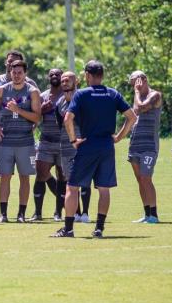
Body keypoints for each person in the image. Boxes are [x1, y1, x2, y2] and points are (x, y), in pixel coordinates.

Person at [52, 60, 136, 238]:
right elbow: (132, 117)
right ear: (102, 75)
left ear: (88, 75)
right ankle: (99, 228)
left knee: (72, 187)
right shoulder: (112, 94)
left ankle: (68, 229)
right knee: (104, 188)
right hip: (106, 146)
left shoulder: (81, 94)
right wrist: (119, 137)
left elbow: (68, 119)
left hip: (87, 145)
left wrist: (73, 140)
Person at [0, 60, 41, 223]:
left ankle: (21, 214)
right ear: (10, 72)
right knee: (5, 176)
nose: (17, 75)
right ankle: (3, 214)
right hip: (6, 141)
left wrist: (18, 110)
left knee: (25, 177)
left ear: (25, 74)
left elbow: (37, 117)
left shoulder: (33, 92)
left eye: (20, 72)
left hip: (25, 141)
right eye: (14, 72)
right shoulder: (2, 90)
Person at [127, 71, 162, 224]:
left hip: (149, 145)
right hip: (135, 143)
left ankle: (154, 215)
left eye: (136, 82)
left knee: (146, 178)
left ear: (143, 80)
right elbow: (131, 118)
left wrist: (136, 92)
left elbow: (141, 108)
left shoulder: (156, 95)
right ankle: (147, 214)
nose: (134, 86)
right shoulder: (136, 97)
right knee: (140, 179)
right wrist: (119, 137)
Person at [54, 71, 89, 221]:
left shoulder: (83, 98)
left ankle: (86, 213)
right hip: (66, 145)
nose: (65, 82)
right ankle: (76, 213)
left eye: (68, 80)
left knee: (85, 179)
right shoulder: (59, 102)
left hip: (82, 143)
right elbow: (59, 124)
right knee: (70, 180)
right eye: (63, 80)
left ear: (76, 82)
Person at [32, 68, 64, 222]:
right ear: (48, 77)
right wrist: (42, 111)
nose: (54, 76)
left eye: (57, 74)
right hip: (46, 141)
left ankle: (58, 212)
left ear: (62, 77)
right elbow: (35, 119)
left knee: (62, 176)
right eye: (51, 74)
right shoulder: (42, 96)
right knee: (41, 174)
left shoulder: (68, 96)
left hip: (63, 142)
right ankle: (37, 213)